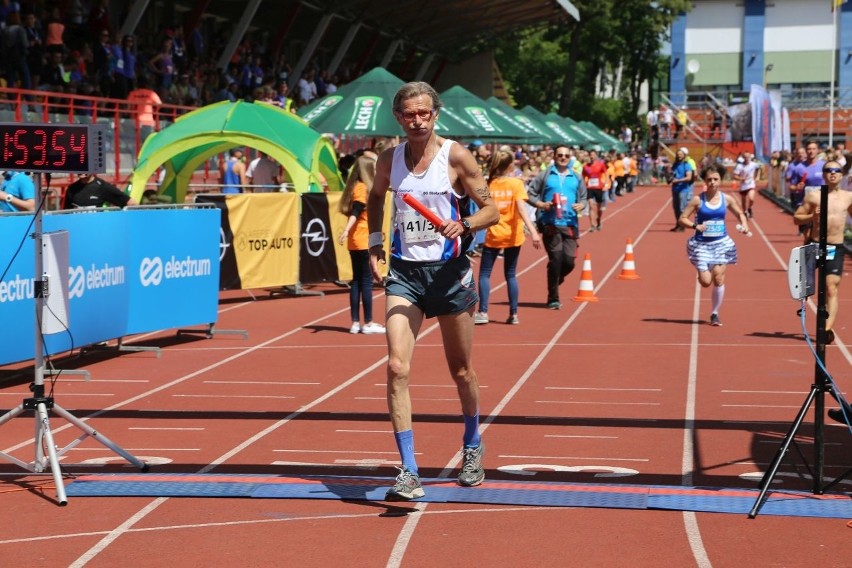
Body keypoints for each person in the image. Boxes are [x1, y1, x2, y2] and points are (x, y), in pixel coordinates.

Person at [366, 81, 499, 501]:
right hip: (405, 274)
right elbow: (374, 197)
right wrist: (374, 241)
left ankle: (473, 444)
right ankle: (408, 470)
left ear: (435, 114)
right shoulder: (390, 159)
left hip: (449, 274)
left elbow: (492, 209)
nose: (417, 120)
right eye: (408, 114)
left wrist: (466, 224)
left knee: (460, 370)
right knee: (396, 366)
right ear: (398, 117)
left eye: (423, 113)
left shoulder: (454, 156)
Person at [473, 148, 541, 325]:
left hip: (494, 234)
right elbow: (522, 209)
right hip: (513, 235)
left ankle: (483, 312)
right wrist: (533, 232)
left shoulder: (488, 184)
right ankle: (513, 314)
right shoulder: (516, 184)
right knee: (510, 274)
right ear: (511, 165)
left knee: (485, 274)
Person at [679, 164, 749, 326]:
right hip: (701, 245)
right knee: (705, 282)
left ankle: (714, 313)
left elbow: (739, 213)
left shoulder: (727, 199)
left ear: (720, 181)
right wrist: (695, 226)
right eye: (709, 179)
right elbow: (682, 218)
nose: (712, 182)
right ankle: (702, 269)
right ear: (704, 181)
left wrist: (744, 224)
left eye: (716, 179)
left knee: (718, 277)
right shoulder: (698, 200)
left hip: (721, 244)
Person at [793, 160, 852, 345]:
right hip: (816, 244)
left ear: (842, 175)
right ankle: (821, 322)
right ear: (824, 174)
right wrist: (813, 216)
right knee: (805, 290)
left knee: (831, 287)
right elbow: (797, 218)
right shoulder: (814, 196)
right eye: (829, 170)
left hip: (836, 246)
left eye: (836, 170)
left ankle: (825, 329)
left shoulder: (848, 197)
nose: (833, 173)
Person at [526, 145, 586, 310]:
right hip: (550, 223)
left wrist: (581, 205)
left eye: (566, 155)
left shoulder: (576, 177)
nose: (563, 158)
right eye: (560, 155)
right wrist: (541, 204)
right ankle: (553, 297)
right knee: (556, 258)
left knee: (569, 262)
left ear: (570, 158)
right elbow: (529, 193)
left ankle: (555, 278)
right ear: (554, 156)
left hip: (570, 224)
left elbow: (584, 198)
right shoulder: (546, 175)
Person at [338, 149, 386, 335]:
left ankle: (356, 322)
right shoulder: (363, 188)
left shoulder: (355, 186)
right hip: (363, 239)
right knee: (365, 282)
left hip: (355, 241)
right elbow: (356, 211)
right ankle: (368, 322)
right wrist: (346, 230)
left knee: (357, 281)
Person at [63, 173, 138, 208]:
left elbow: (132, 203)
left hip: (97, 231)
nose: (82, 170)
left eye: (86, 166)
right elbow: (65, 214)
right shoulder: (71, 189)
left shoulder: (102, 186)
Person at [669, 148, 694, 232]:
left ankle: (682, 225)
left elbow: (689, 177)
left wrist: (678, 180)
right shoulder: (675, 164)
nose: (679, 156)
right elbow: (673, 174)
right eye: (677, 154)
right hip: (675, 189)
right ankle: (678, 224)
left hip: (683, 189)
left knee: (681, 208)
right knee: (675, 208)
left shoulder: (686, 165)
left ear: (684, 155)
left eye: (680, 154)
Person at [582, 149, 607, 231]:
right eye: (590, 155)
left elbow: (606, 173)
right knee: (591, 205)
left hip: (599, 188)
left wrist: (605, 183)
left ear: (596, 156)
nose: (592, 156)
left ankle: (598, 220)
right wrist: (583, 184)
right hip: (589, 188)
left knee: (599, 208)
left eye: (593, 155)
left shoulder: (601, 165)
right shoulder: (586, 166)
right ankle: (592, 225)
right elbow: (583, 176)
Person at [732, 152, 760, 218]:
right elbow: (734, 176)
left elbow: (758, 168)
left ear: (750, 157)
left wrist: (757, 176)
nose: (747, 158)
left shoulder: (753, 164)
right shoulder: (740, 166)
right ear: (743, 158)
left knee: (751, 198)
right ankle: (744, 212)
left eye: (748, 157)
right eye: (745, 157)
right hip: (743, 185)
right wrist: (741, 178)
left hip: (751, 184)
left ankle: (749, 208)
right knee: (743, 201)